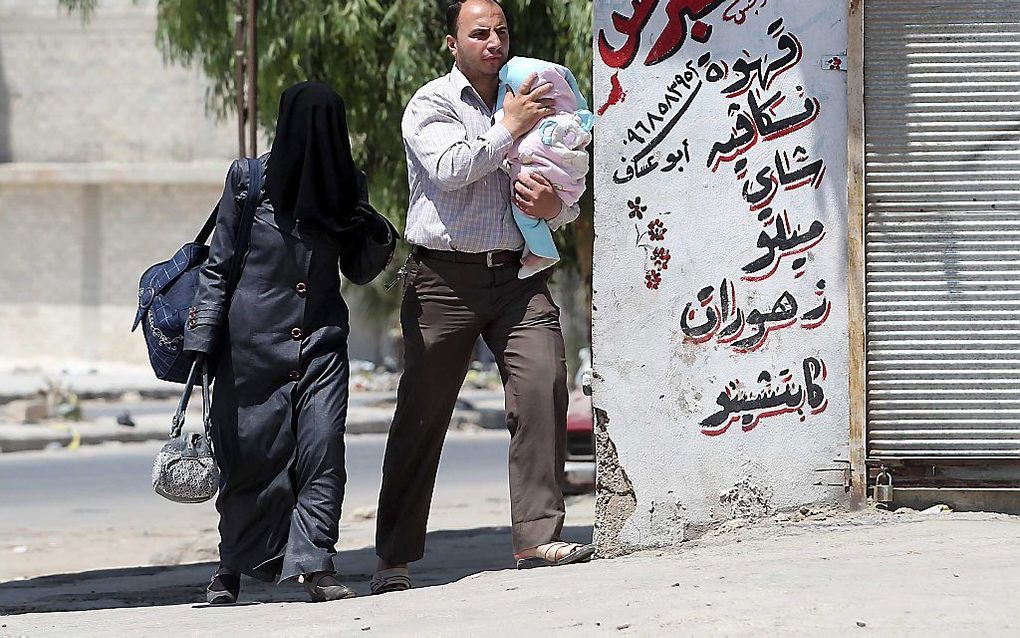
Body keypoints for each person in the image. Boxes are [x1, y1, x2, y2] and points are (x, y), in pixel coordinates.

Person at [371, 0, 594, 595]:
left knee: (544, 383)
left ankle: (537, 535)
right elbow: (449, 168)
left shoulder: (531, 87)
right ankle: (394, 556)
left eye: (500, 31)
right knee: (422, 414)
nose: (493, 42)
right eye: (479, 33)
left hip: (518, 277)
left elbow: (564, 172)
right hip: (443, 281)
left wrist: (557, 207)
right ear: (452, 43)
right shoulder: (432, 104)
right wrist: (510, 125)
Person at [184, 81, 394, 604]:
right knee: (249, 459)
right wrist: (201, 339)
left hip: (322, 341)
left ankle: (317, 565)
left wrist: (373, 229)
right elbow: (219, 264)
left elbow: (360, 270)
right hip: (248, 347)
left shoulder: (348, 185)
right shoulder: (248, 180)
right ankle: (230, 568)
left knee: (323, 451)